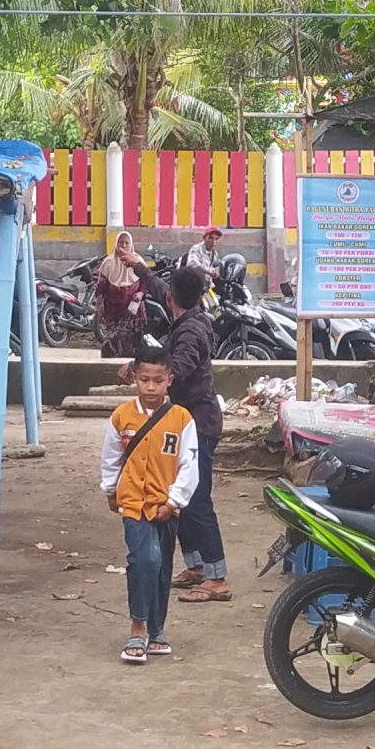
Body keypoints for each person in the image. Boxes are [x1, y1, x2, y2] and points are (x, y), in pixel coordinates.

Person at [101, 344, 200, 666]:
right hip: (132, 501)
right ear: (134, 378)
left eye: (158, 381)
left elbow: (189, 464)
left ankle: (157, 630)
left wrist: (174, 501)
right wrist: (111, 490)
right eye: (144, 380)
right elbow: (111, 457)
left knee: (162, 566)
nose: (151, 387)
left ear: (169, 380)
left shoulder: (181, 419)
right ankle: (138, 627)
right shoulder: (121, 417)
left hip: (165, 503)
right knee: (144, 559)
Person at [155, 265, 229, 603]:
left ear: (172, 297)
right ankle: (197, 566)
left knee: (197, 499)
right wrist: (135, 264)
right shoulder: (192, 317)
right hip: (187, 422)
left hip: (200, 424)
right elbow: (159, 289)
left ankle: (217, 578)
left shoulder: (190, 332)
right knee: (181, 495)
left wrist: (144, 372)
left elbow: (179, 368)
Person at [94, 231, 154, 357]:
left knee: (134, 341)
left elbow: (146, 282)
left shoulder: (138, 262)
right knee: (114, 342)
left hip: (134, 309)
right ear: (116, 244)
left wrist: (141, 294)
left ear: (131, 244)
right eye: (121, 243)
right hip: (113, 310)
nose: (124, 246)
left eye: (127, 243)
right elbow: (101, 288)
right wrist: (99, 306)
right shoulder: (108, 263)